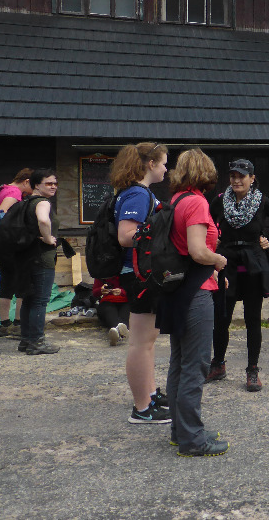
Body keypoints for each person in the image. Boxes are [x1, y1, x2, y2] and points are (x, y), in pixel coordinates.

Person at [164, 148, 229, 457]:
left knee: (179, 363)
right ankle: (193, 440)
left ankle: (181, 430)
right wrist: (219, 261)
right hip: (196, 291)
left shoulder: (174, 201)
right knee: (196, 365)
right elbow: (197, 250)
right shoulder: (198, 203)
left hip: (176, 290)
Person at [207, 159, 269, 392]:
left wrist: (266, 236)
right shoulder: (220, 201)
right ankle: (218, 364)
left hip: (251, 264)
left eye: (242, 176)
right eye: (233, 175)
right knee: (222, 317)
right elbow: (207, 224)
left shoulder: (261, 201)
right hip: (227, 263)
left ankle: (252, 370)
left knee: (253, 319)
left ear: (252, 179)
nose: (236, 180)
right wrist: (214, 239)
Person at [110, 142, 172, 425]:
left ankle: (149, 394)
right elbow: (126, 235)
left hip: (138, 273)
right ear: (150, 164)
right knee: (140, 342)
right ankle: (141, 408)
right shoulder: (137, 194)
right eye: (163, 163)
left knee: (147, 341)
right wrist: (156, 234)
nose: (166, 168)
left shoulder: (135, 192)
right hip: (138, 273)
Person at [14, 169, 61, 355]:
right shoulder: (42, 202)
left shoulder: (26, 202)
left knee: (29, 299)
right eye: (48, 183)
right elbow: (43, 219)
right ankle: (37, 342)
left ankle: (26, 340)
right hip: (41, 258)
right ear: (36, 185)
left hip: (26, 258)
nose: (53, 186)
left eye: (55, 183)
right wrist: (49, 238)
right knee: (40, 301)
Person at [0, 167, 32, 338]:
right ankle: (18, 324)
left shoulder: (4, 188)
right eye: (33, 184)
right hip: (9, 243)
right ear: (26, 181)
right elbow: (2, 213)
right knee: (22, 280)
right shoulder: (14, 192)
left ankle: (4, 323)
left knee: (6, 281)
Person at [94, 276, 130, 346]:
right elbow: (95, 293)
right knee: (109, 312)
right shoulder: (102, 272)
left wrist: (122, 292)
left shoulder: (127, 269)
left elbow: (135, 290)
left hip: (125, 301)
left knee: (125, 315)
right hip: (107, 301)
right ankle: (117, 331)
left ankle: (116, 333)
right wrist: (101, 290)